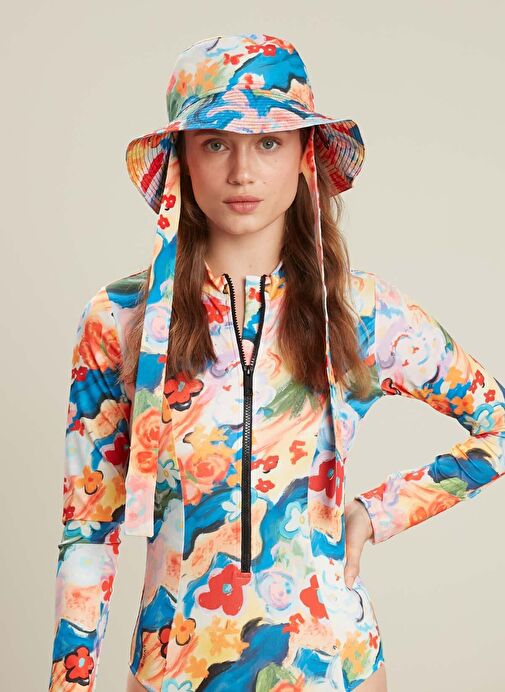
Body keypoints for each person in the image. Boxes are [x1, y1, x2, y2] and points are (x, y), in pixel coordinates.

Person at [48, 33, 504, 692]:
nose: (242, 171)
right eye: (216, 144)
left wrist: (378, 512)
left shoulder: (362, 311)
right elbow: (89, 531)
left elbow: (497, 423)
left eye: (268, 143)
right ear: (182, 158)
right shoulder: (119, 319)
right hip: (174, 671)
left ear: (303, 154)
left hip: (335, 667)